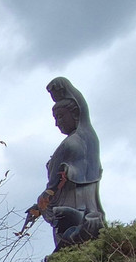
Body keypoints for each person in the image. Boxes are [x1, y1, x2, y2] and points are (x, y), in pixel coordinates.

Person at [36, 77, 106, 250]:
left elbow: (52, 185)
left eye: (60, 117)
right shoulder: (90, 137)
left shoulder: (70, 144)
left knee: (69, 243)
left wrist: (40, 204)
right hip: (91, 207)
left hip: (71, 203)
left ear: (75, 114)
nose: (57, 123)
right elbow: (83, 107)